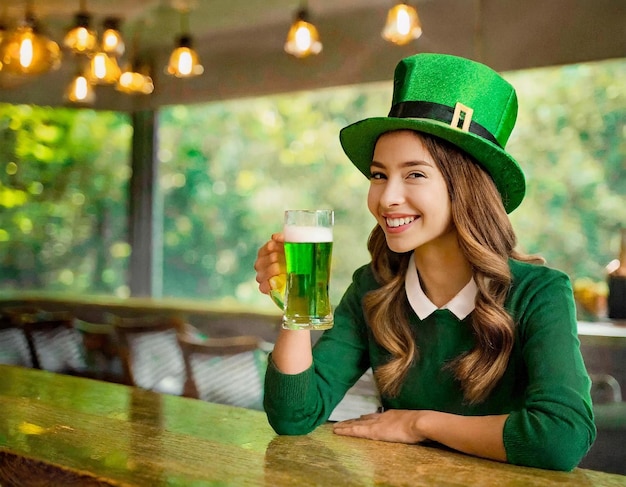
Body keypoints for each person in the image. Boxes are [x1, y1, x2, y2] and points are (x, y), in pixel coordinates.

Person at [254, 53, 596, 471]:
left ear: (465, 187)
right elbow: (294, 417)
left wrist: (420, 423)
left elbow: (561, 439)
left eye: (414, 174)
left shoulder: (539, 292)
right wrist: (295, 305)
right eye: (378, 175)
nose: (387, 197)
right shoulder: (372, 286)